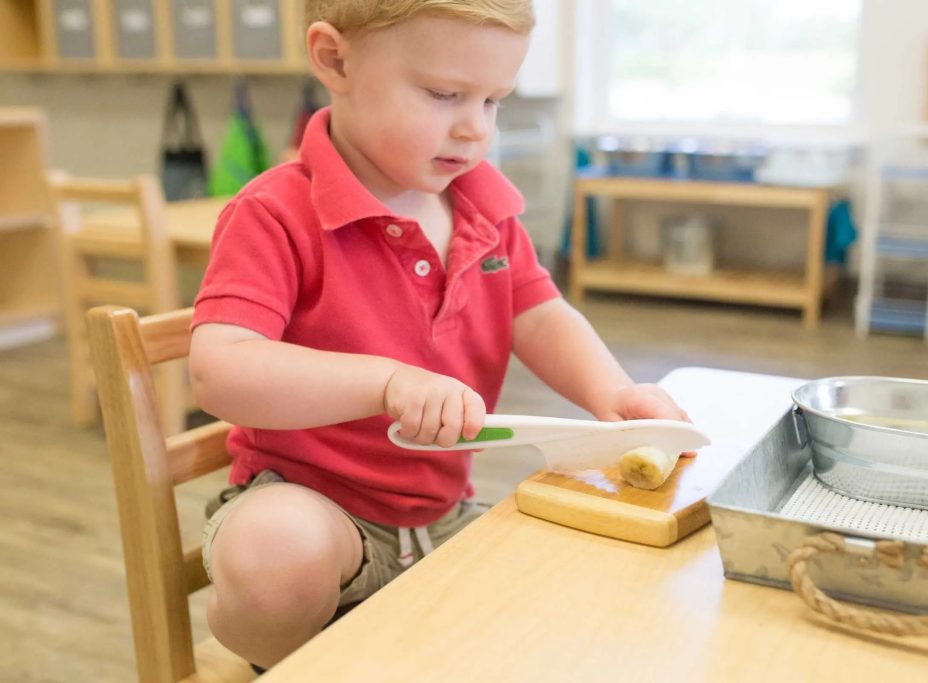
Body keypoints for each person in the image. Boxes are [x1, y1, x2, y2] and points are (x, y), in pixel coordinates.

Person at [188, 0, 689, 670]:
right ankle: (293, 656)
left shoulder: (485, 203)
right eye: (445, 94)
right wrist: (386, 382)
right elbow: (220, 369)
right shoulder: (273, 214)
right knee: (277, 551)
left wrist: (615, 392)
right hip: (314, 512)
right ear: (334, 59)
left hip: (444, 520)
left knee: (585, 587)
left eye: (493, 102)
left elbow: (538, 313)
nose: (473, 129)